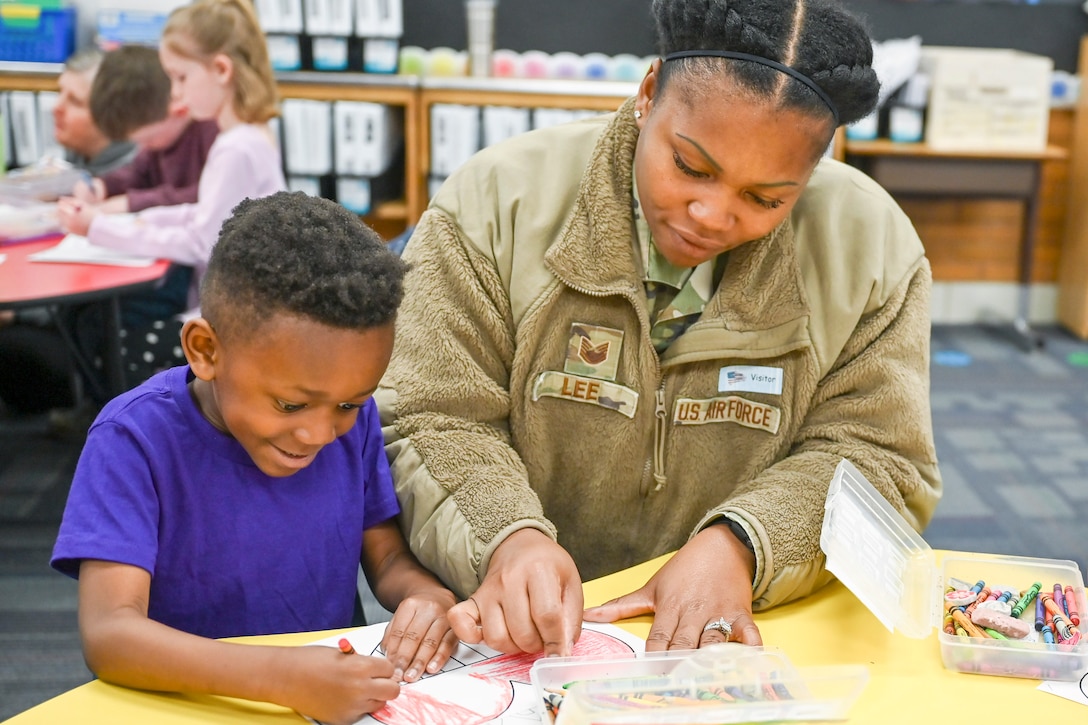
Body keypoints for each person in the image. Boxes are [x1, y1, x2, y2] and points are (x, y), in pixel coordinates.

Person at [376, 0, 942, 658]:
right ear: (648, 93)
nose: (711, 213)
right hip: (513, 636)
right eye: (691, 167)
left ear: (811, 173)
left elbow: (881, 457)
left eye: (766, 198)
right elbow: (429, 409)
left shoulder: (872, 251)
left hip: (735, 631)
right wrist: (507, 535)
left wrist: (741, 544)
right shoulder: (495, 201)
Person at [51, 192, 458, 725]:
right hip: (188, 708)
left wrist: (426, 596)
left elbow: (385, 559)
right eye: (290, 404)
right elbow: (109, 635)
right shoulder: (132, 440)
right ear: (205, 350)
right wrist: (283, 677)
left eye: (349, 403)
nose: (318, 432)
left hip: (318, 705)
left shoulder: (351, 425)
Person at [57, 0, 286, 395]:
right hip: (232, 312)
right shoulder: (244, 137)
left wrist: (101, 228)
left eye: (179, 78)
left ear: (220, 70)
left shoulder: (236, 148)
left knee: (119, 350)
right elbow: (206, 215)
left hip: (235, 326)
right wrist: (140, 220)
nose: (175, 94)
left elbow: (201, 241)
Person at [75, 43, 220, 215]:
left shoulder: (213, 131)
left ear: (178, 110)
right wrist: (101, 186)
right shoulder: (157, 143)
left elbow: (208, 195)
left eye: (147, 140)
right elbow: (136, 173)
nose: (146, 146)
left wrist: (132, 203)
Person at [53, 48, 137, 176]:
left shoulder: (137, 179)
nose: (56, 108)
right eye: (59, 93)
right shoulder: (74, 158)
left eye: (74, 101)